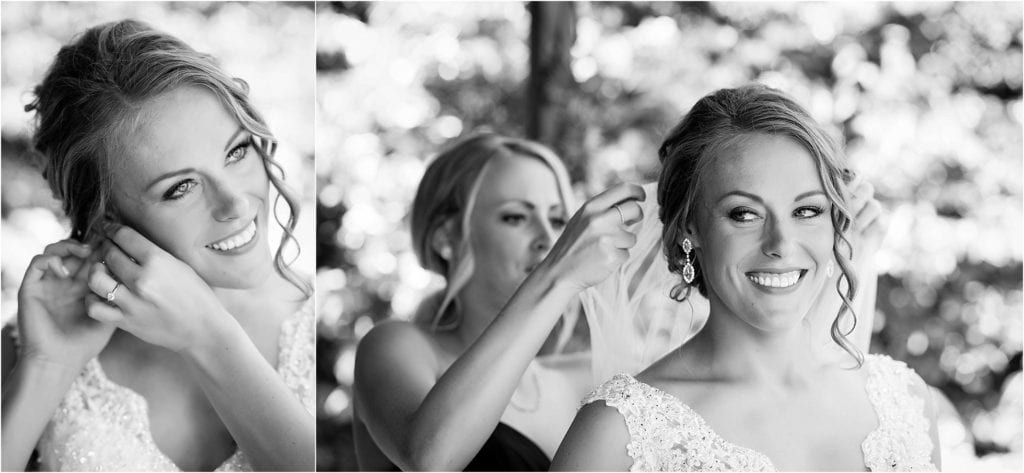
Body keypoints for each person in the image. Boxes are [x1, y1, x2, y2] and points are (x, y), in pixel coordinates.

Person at [350, 130, 884, 471]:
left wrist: (842, 261)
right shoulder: (396, 349)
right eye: (516, 217)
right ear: (446, 238)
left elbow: (779, 380)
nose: (546, 237)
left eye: (558, 219)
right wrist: (560, 273)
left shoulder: (590, 380)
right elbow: (431, 458)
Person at [551, 84, 941, 471]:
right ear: (690, 228)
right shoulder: (619, 433)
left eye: (806, 211)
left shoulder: (905, 403)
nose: (781, 244)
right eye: (744, 214)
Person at [0, 19, 314, 471]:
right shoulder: (32, 341)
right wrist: (45, 368)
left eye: (238, 151)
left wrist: (208, 336)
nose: (236, 203)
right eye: (180, 188)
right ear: (104, 216)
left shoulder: (317, 321)